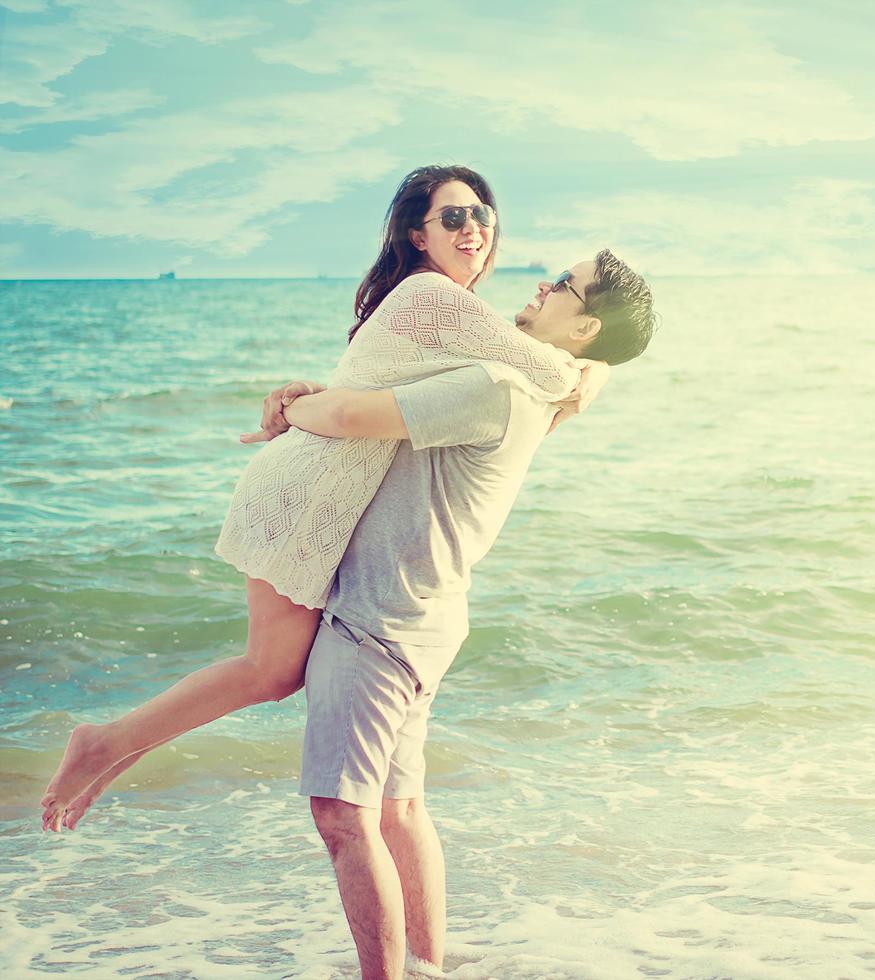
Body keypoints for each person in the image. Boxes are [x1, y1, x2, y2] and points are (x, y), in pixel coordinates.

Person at [38, 165, 606, 832]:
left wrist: (301, 394)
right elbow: (548, 369)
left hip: (316, 497)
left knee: (271, 672)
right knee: (270, 670)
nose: (473, 228)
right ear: (418, 236)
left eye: (482, 215)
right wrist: (595, 372)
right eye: (452, 217)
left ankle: (108, 751)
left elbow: (378, 385)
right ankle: (101, 746)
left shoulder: (442, 309)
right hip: (299, 498)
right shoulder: (438, 298)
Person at [279, 248, 657, 978]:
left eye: (565, 286)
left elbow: (353, 414)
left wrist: (290, 403)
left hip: (381, 620)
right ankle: (427, 967)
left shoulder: (498, 385)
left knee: (343, 817)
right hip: (428, 616)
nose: (544, 285)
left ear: (581, 327)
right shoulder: (547, 390)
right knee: (399, 810)